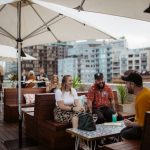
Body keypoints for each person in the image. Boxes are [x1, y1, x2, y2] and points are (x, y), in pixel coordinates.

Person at [120, 71, 150, 140]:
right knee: (123, 131)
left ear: (132, 84)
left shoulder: (142, 98)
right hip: (143, 127)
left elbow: (143, 124)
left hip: (145, 131)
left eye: (126, 83)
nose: (125, 86)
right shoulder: (144, 92)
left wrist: (131, 124)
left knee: (123, 134)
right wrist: (131, 123)